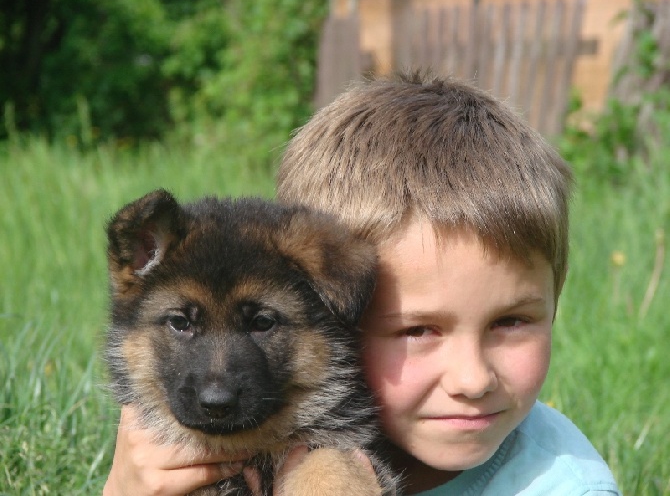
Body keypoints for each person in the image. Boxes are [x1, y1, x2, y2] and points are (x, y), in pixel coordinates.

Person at [103, 72, 621, 495]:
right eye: (419, 329)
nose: (471, 379)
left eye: (511, 321)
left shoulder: (564, 485)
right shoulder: (147, 467)